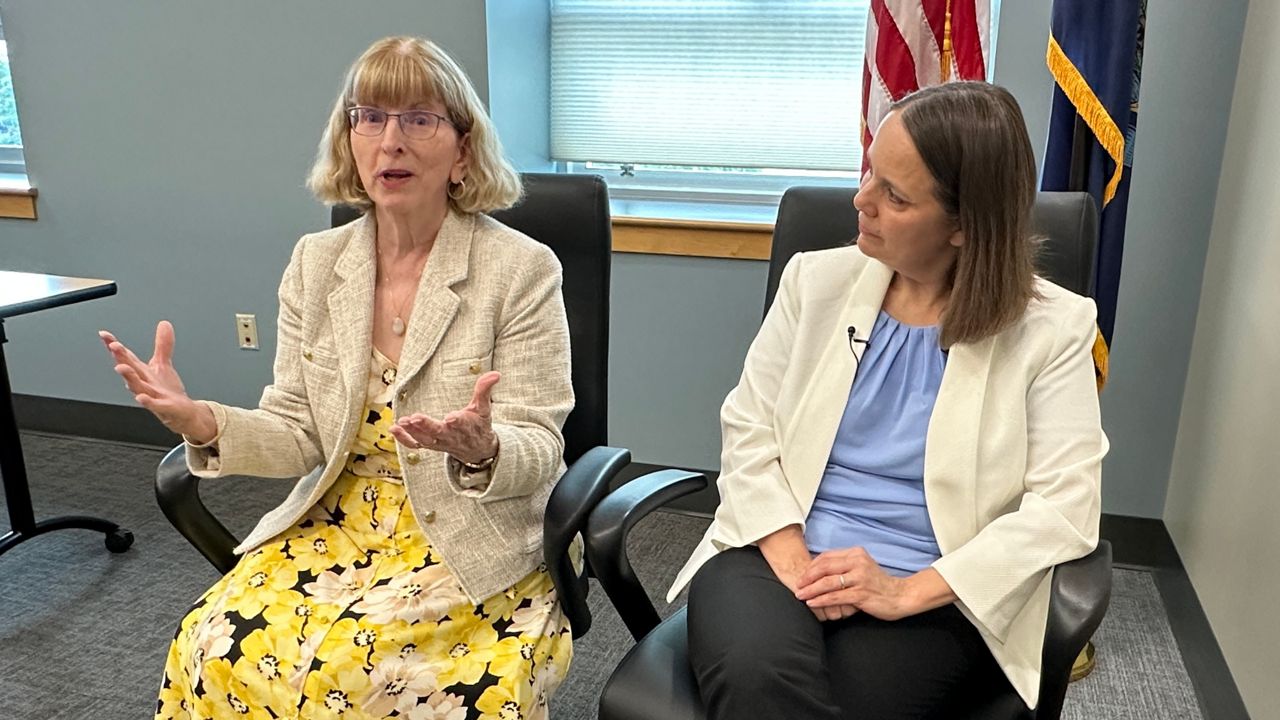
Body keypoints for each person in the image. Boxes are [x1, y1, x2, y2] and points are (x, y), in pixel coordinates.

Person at [100, 36, 575, 719]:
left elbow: (542, 444)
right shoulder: (316, 263)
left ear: (463, 151)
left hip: (468, 529)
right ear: (349, 140)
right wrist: (202, 421)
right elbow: (298, 430)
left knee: (374, 682)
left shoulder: (520, 270)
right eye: (370, 117)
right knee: (211, 645)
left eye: (419, 119)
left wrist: (485, 449)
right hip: (335, 520)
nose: (391, 141)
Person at [669, 81, 1107, 719]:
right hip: (774, 549)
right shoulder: (815, 281)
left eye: (894, 195)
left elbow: (1065, 508)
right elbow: (749, 426)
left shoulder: (1053, 328)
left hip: (934, 587)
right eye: (871, 171)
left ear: (965, 225)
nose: (861, 199)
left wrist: (906, 592)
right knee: (756, 677)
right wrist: (795, 559)